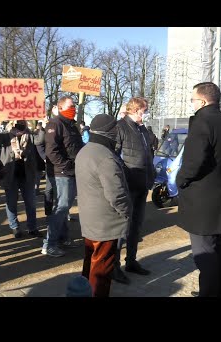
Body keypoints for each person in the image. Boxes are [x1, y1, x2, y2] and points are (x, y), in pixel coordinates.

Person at [176, 82, 221, 297]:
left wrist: (180, 180)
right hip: (218, 191)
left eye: (193, 99)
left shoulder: (202, 122)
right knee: (217, 246)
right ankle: (218, 289)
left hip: (200, 197)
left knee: (204, 252)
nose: (192, 103)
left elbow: (193, 161)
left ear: (202, 101)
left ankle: (210, 293)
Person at [75, 114, 132, 297]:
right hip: (105, 222)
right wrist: (127, 212)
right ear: (108, 131)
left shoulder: (85, 150)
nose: (117, 132)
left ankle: (83, 293)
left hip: (90, 218)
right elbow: (116, 194)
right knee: (101, 270)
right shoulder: (106, 157)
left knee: (89, 263)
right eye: (115, 129)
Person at [112, 97, 154, 284]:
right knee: (122, 227)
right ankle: (114, 267)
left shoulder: (142, 128)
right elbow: (114, 156)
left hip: (142, 184)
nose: (145, 114)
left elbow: (148, 153)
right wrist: (125, 175)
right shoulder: (120, 127)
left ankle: (131, 261)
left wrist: (151, 174)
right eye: (144, 110)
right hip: (128, 184)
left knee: (136, 225)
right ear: (136, 110)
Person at [42, 95, 83, 257]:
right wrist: (67, 167)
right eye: (70, 106)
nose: (74, 108)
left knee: (64, 207)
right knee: (61, 207)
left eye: (74, 106)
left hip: (71, 172)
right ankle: (49, 244)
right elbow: (51, 151)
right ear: (60, 108)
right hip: (62, 173)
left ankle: (63, 238)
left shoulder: (71, 125)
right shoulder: (55, 123)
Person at [0, 120, 40, 238]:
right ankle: (15, 227)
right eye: (17, 123)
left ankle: (32, 227)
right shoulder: (5, 136)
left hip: (27, 175)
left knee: (30, 203)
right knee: (11, 202)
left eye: (23, 123)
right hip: (10, 175)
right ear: (12, 124)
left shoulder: (30, 135)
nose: (20, 126)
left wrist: (41, 125)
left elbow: (40, 139)